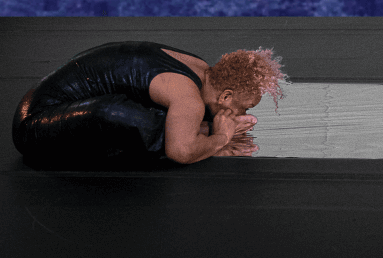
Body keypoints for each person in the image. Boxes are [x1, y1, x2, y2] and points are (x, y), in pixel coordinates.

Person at [12, 41, 287, 167]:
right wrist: (220, 137)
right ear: (226, 96)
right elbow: (180, 153)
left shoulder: (201, 68)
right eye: (244, 107)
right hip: (35, 126)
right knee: (116, 114)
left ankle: (192, 131)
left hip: (39, 100)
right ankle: (197, 135)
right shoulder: (188, 96)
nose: (243, 113)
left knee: (135, 112)